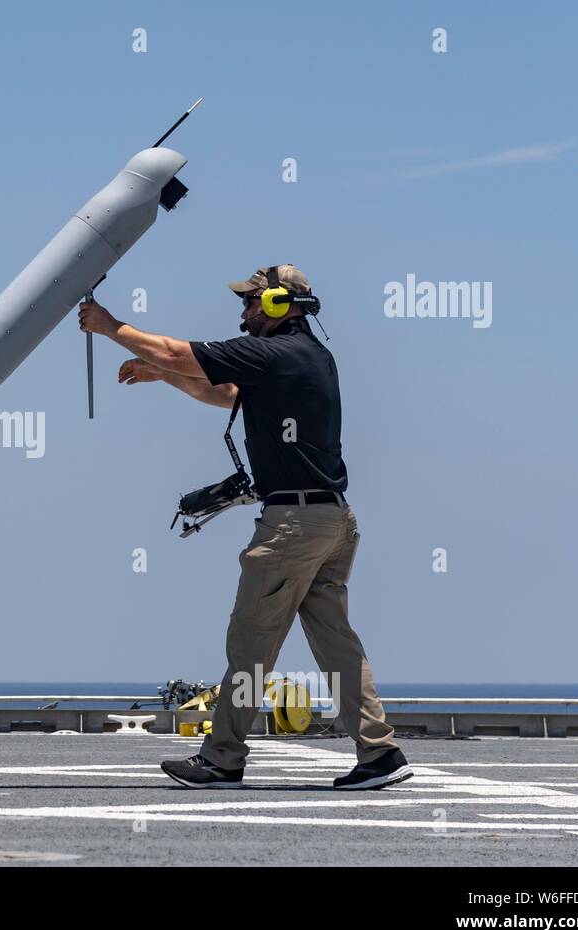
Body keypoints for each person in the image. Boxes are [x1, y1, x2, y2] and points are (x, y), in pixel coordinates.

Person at [78, 264, 412, 791]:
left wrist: (109, 324)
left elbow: (172, 349)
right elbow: (229, 395)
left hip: (292, 526)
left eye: (252, 303)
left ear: (281, 304)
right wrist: (166, 376)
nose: (243, 314)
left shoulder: (273, 352)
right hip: (332, 519)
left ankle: (222, 759)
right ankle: (379, 752)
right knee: (336, 643)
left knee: (252, 642)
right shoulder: (307, 357)